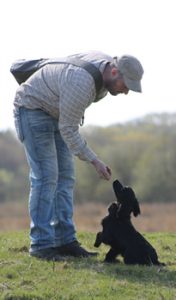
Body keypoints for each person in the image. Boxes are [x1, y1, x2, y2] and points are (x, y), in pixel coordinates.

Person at [13, 51, 144, 261]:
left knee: (66, 177)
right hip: (32, 108)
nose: (126, 91)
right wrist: (95, 160)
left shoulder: (104, 73)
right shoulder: (81, 82)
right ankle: (41, 245)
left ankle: (65, 241)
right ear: (113, 71)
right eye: (125, 84)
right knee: (46, 177)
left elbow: (67, 121)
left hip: (57, 112)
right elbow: (69, 129)